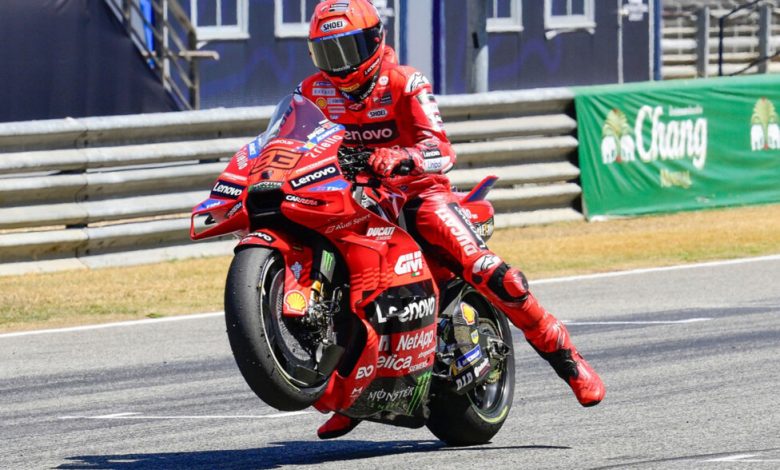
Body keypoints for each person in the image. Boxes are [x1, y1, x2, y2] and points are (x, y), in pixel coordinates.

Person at [297, 0, 605, 440]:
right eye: (329, 52)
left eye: (348, 49)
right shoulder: (311, 91)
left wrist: (402, 156)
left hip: (417, 194)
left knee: (490, 272)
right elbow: (291, 139)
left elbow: (442, 150)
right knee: (334, 288)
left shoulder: (406, 82)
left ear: (375, 40)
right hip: (354, 198)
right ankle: (353, 394)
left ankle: (568, 359)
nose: (340, 63)